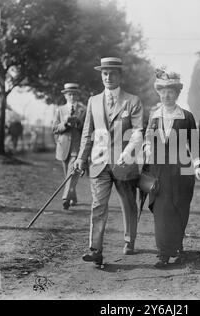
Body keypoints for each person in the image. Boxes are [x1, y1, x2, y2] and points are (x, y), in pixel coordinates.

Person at [73, 57, 143, 265]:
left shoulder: (133, 101)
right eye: (104, 73)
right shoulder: (93, 101)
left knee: (128, 204)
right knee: (98, 205)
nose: (108, 77)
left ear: (120, 76)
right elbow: (87, 133)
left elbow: (138, 132)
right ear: (101, 75)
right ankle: (95, 249)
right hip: (99, 162)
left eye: (112, 73)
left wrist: (128, 152)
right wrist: (80, 158)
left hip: (124, 163)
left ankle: (129, 240)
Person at [144, 67, 200, 268]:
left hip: (182, 172)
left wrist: (198, 165)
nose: (167, 95)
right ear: (159, 93)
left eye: (171, 91)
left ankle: (177, 245)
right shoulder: (154, 116)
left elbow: (194, 143)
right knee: (162, 212)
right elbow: (147, 139)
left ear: (178, 93)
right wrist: (146, 149)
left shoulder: (186, 116)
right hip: (159, 173)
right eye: (163, 91)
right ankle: (163, 253)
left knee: (179, 210)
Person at [52, 83, 87, 209]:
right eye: (69, 94)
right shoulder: (60, 110)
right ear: (65, 96)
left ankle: (65, 198)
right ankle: (74, 197)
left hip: (77, 148)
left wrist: (78, 123)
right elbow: (54, 128)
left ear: (77, 95)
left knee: (72, 173)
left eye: (74, 94)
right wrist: (65, 124)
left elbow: (87, 129)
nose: (72, 96)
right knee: (68, 174)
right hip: (63, 147)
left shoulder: (84, 109)